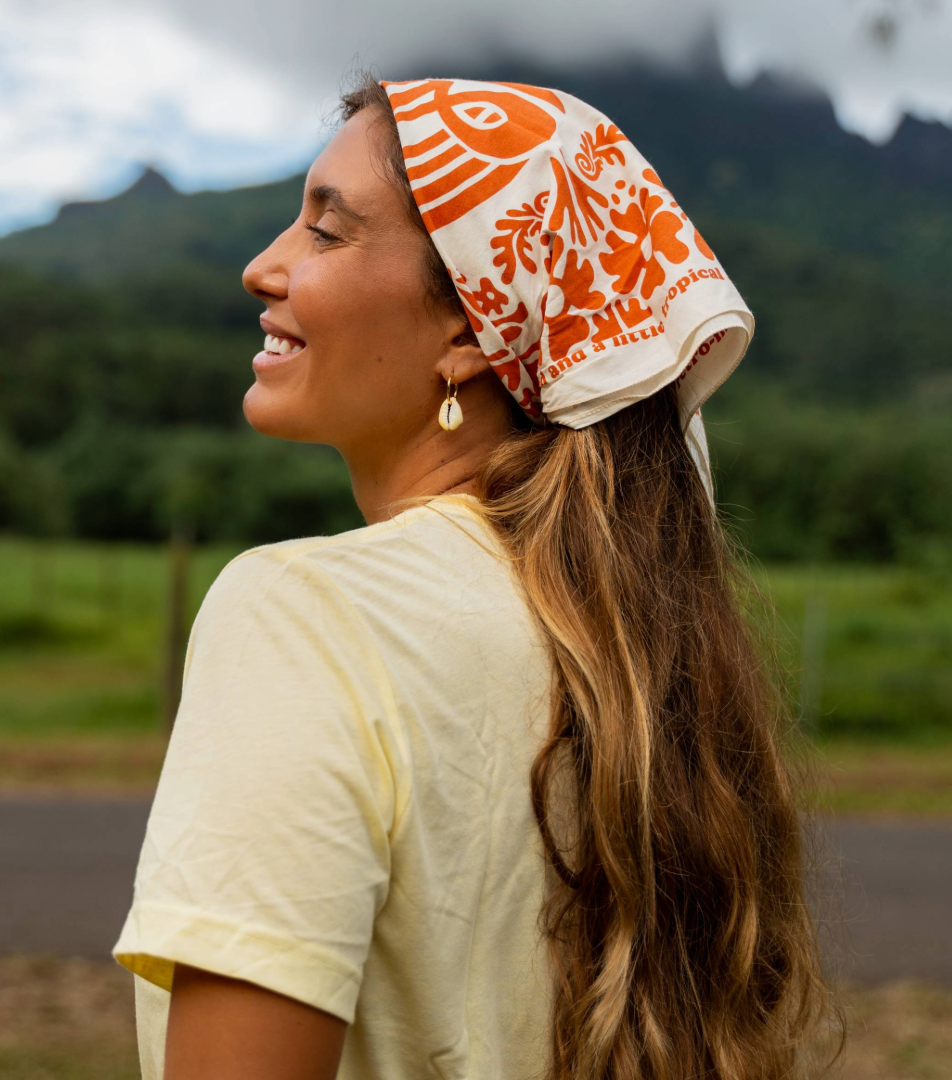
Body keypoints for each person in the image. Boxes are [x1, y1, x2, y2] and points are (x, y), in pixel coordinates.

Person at [112, 74, 846, 1080]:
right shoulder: (642, 652)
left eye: (326, 234)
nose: (262, 267)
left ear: (470, 327)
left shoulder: (302, 615)